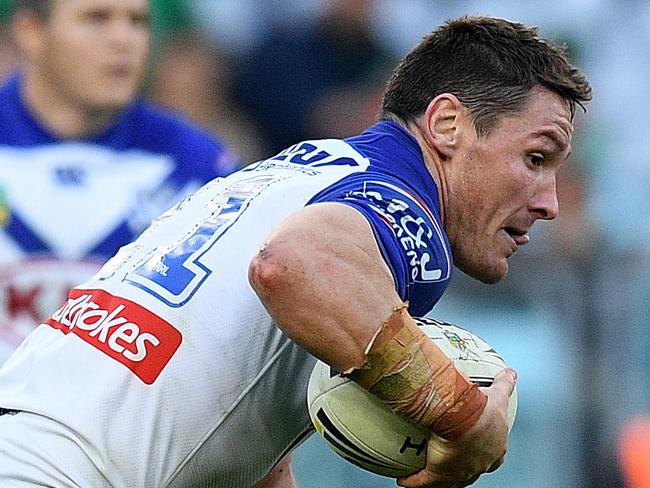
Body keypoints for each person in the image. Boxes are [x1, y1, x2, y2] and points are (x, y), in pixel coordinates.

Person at [0, 15, 591, 488]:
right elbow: (293, 267)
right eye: (536, 159)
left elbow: (239, 430)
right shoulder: (406, 210)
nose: (550, 202)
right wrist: (462, 421)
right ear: (447, 125)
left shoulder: (295, 170)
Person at [0, 0, 239, 364]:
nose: (124, 40)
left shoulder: (199, 167)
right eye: (97, 18)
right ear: (30, 32)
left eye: (138, 21)